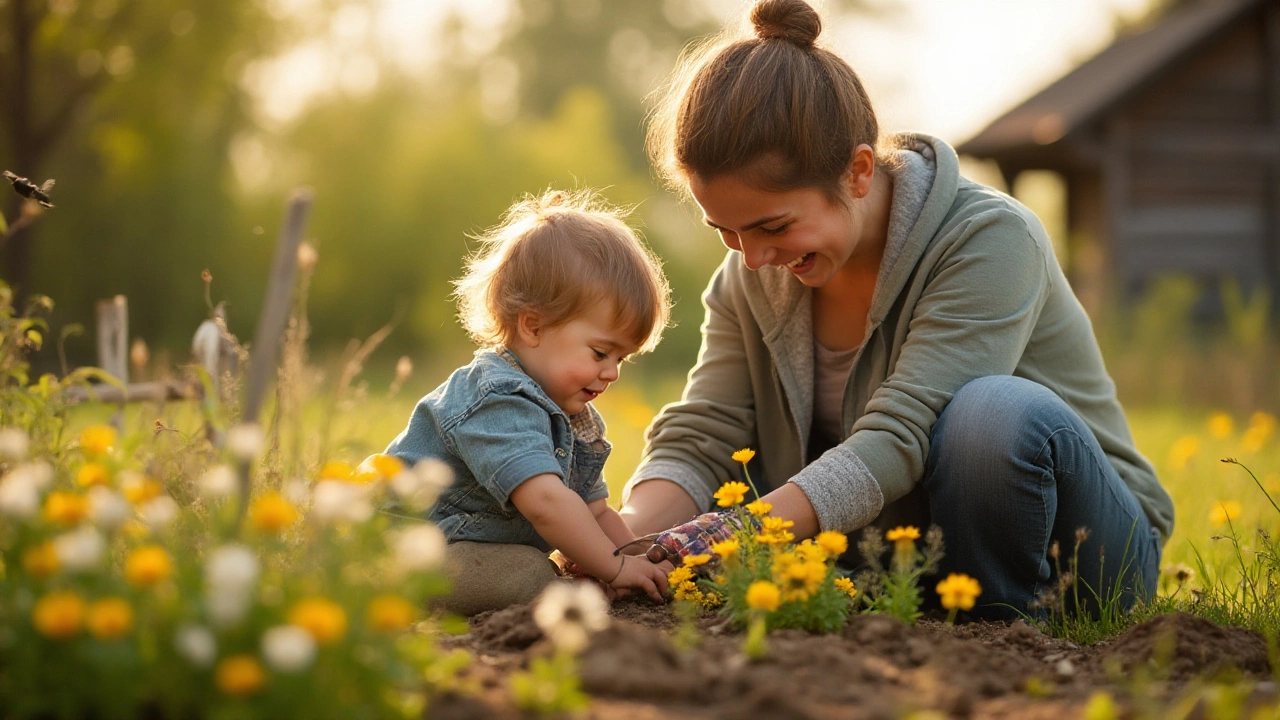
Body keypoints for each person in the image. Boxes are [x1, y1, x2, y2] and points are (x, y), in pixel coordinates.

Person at [621, 0, 1173, 620]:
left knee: (991, 414)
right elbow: (704, 433)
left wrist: (727, 537)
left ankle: (1007, 629)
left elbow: (898, 438)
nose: (751, 259)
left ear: (857, 172)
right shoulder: (753, 273)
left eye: (772, 225)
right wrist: (621, 542)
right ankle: (940, 618)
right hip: (908, 564)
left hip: (1087, 556)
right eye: (726, 231)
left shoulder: (989, 239)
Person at [384, 189, 672, 615]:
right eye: (600, 353)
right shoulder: (498, 398)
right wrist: (613, 568)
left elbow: (595, 512)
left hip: (469, 549)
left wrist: (637, 555)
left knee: (536, 569)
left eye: (621, 358)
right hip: (411, 549)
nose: (612, 372)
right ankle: (378, 589)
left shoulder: (576, 420)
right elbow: (546, 503)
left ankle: (566, 592)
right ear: (533, 327)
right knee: (529, 574)